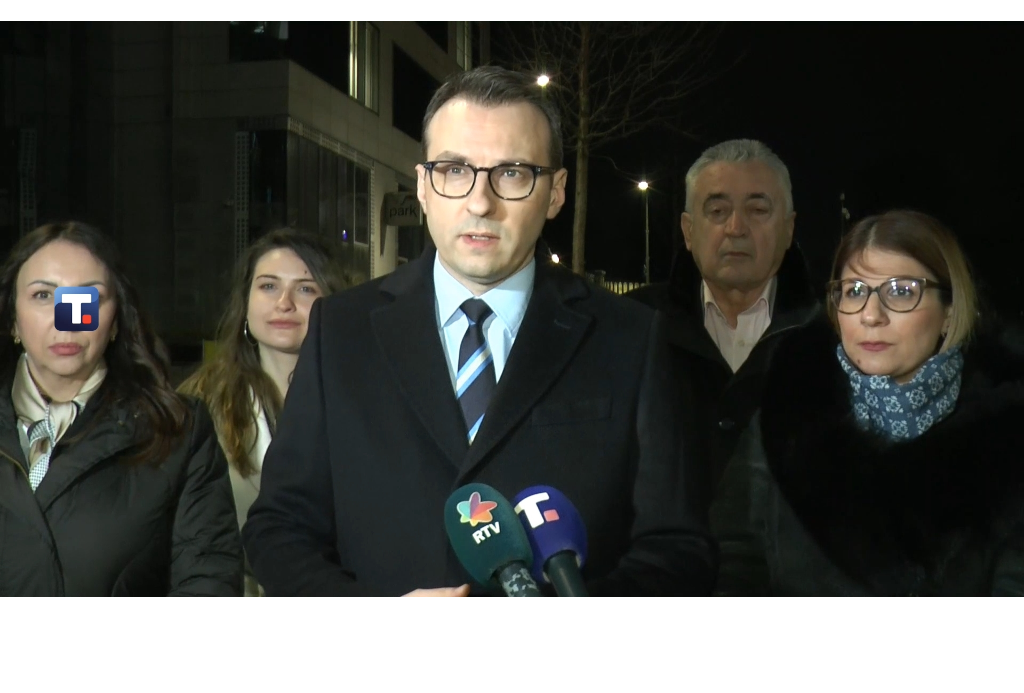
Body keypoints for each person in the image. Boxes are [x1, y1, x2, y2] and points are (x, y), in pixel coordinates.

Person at [242, 65, 716, 597]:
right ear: (423, 186)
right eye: (453, 170)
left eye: (512, 173)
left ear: (556, 193)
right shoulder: (340, 331)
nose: (480, 202)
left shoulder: (629, 338)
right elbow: (277, 529)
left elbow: (678, 549)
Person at [712, 209, 1024, 596]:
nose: (871, 315)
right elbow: (734, 558)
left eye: (901, 291)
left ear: (949, 311)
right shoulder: (783, 420)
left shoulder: (1007, 439)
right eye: (855, 291)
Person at [0, 222, 243, 596]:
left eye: (87, 298)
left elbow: (208, 578)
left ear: (116, 320)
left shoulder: (178, 432)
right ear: (13, 319)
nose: (68, 319)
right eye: (44, 295)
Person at [627, 139, 820, 509]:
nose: (736, 228)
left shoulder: (831, 339)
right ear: (688, 230)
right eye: (717, 211)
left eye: (758, 210)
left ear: (788, 229)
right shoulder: (632, 327)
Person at [179, 227, 349, 596]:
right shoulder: (197, 404)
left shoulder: (364, 398)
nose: (284, 303)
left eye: (306, 289)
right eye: (268, 286)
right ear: (245, 303)